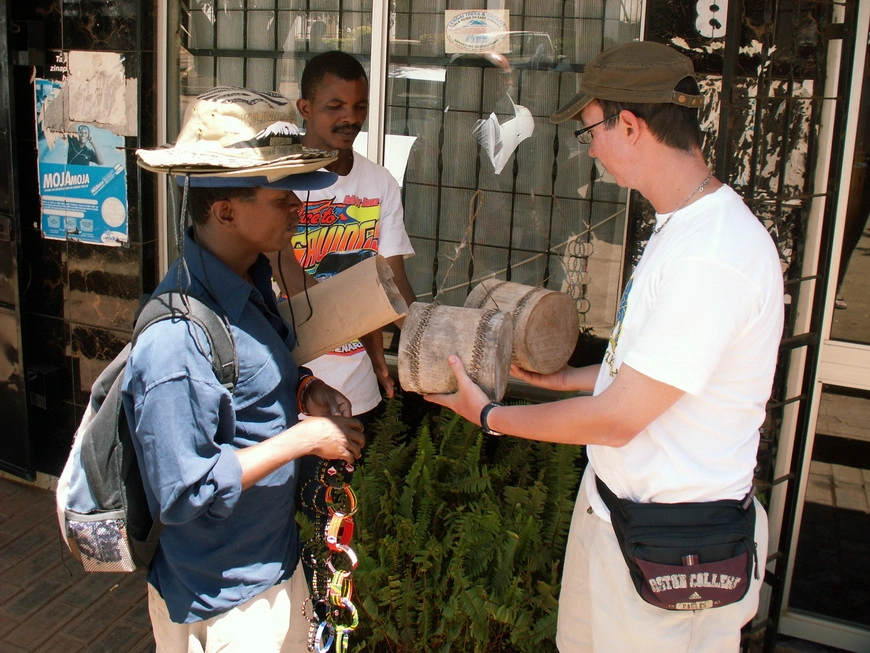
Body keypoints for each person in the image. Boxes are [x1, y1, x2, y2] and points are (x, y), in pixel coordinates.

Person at [426, 41, 784, 653]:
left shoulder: (713, 254)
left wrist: (489, 416)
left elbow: (620, 419)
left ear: (630, 125)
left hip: (676, 548)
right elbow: (646, 381)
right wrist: (561, 379)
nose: (589, 147)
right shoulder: (681, 227)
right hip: (619, 520)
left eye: (591, 128)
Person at [129, 86, 366, 652]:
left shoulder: (249, 283)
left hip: (268, 569)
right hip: (228, 601)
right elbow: (183, 491)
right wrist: (305, 440)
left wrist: (305, 388)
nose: (298, 207)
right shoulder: (173, 341)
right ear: (226, 210)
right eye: (282, 195)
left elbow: (250, 383)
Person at [270, 50, 417, 424]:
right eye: (335, 106)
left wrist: (427, 341)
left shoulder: (380, 182)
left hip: (357, 390)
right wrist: (367, 325)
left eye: (359, 106)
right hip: (289, 389)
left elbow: (392, 282)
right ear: (305, 107)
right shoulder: (277, 179)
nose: (350, 117)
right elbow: (284, 267)